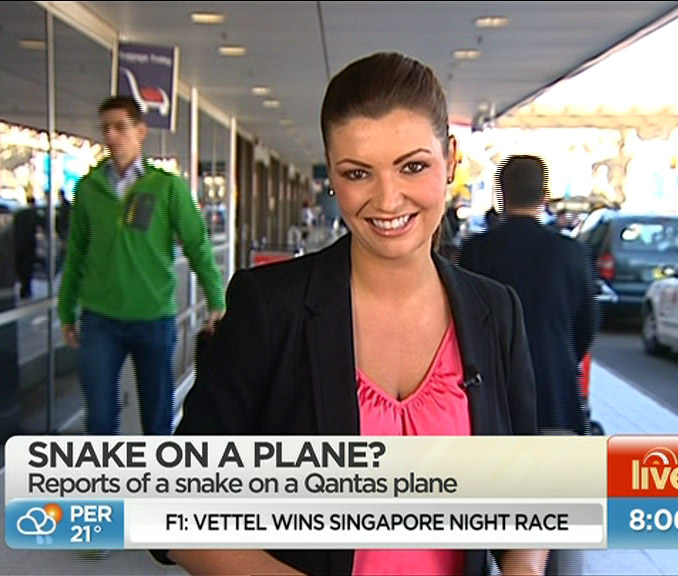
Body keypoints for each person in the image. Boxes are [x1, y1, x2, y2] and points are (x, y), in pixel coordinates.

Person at [156, 52, 547, 576]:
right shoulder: (269, 308)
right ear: (333, 175)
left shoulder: (496, 312)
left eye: (413, 166)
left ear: (450, 159)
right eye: (358, 173)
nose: (388, 200)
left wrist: (525, 567)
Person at [57, 95, 226, 437]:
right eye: (106, 128)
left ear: (141, 131)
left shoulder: (166, 187)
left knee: (157, 418)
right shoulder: (89, 188)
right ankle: (105, 473)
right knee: (100, 420)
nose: (111, 135)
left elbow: (197, 244)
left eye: (120, 127)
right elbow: (76, 252)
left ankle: (153, 472)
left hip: (153, 316)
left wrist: (216, 300)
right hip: (100, 318)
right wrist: (66, 310)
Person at [459, 155, 597, 436]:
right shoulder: (571, 252)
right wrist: (562, 356)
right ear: (544, 195)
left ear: (502, 193)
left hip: (491, 391)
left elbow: (462, 321)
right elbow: (587, 322)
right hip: (555, 389)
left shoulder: (477, 251)